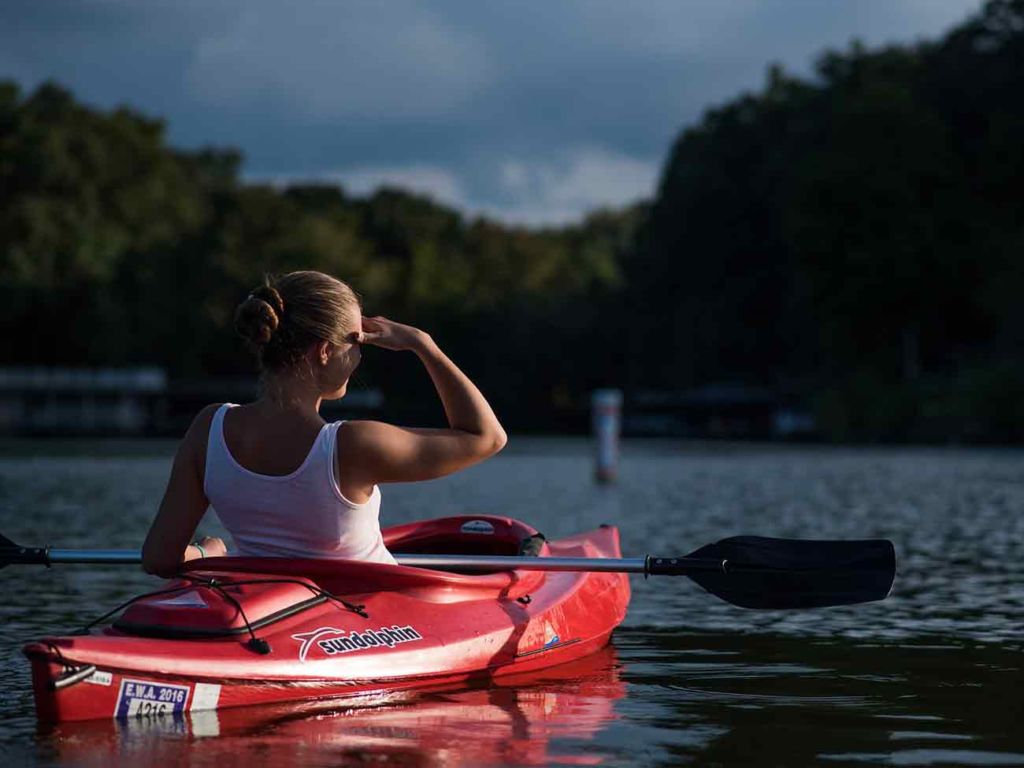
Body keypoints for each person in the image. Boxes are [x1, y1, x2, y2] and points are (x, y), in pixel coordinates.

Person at [141, 270, 507, 577]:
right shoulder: (352, 445)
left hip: (272, 616)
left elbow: (160, 558)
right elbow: (487, 436)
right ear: (325, 351)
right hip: (365, 627)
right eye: (357, 341)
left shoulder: (209, 428)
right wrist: (423, 345)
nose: (360, 355)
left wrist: (211, 557)